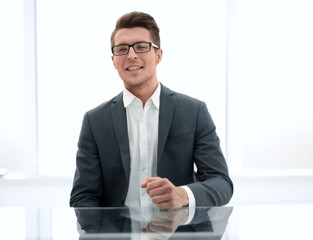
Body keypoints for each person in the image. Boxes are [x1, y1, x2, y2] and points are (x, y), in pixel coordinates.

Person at [70, 11, 233, 210]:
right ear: (113, 60)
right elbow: (82, 197)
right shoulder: (95, 121)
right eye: (122, 49)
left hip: (179, 231)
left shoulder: (194, 112)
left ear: (158, 55)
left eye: (141, 47)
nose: (131, 55)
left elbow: (222, 183)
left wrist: (183, 195)